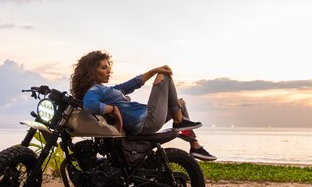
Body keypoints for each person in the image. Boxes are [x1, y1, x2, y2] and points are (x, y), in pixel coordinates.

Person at [70, 50, 217, 161]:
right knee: (164, 76)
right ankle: (179, 121)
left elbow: (132, 84)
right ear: (91, 72)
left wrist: (153, 71)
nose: (109, 71)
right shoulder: (95, 90)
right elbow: (89, 104)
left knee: (179, 104)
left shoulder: (106, 91)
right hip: (147, 121)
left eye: (109, 67)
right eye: (103, 68)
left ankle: (195, 145)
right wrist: (113, 109)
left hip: (146, 119)